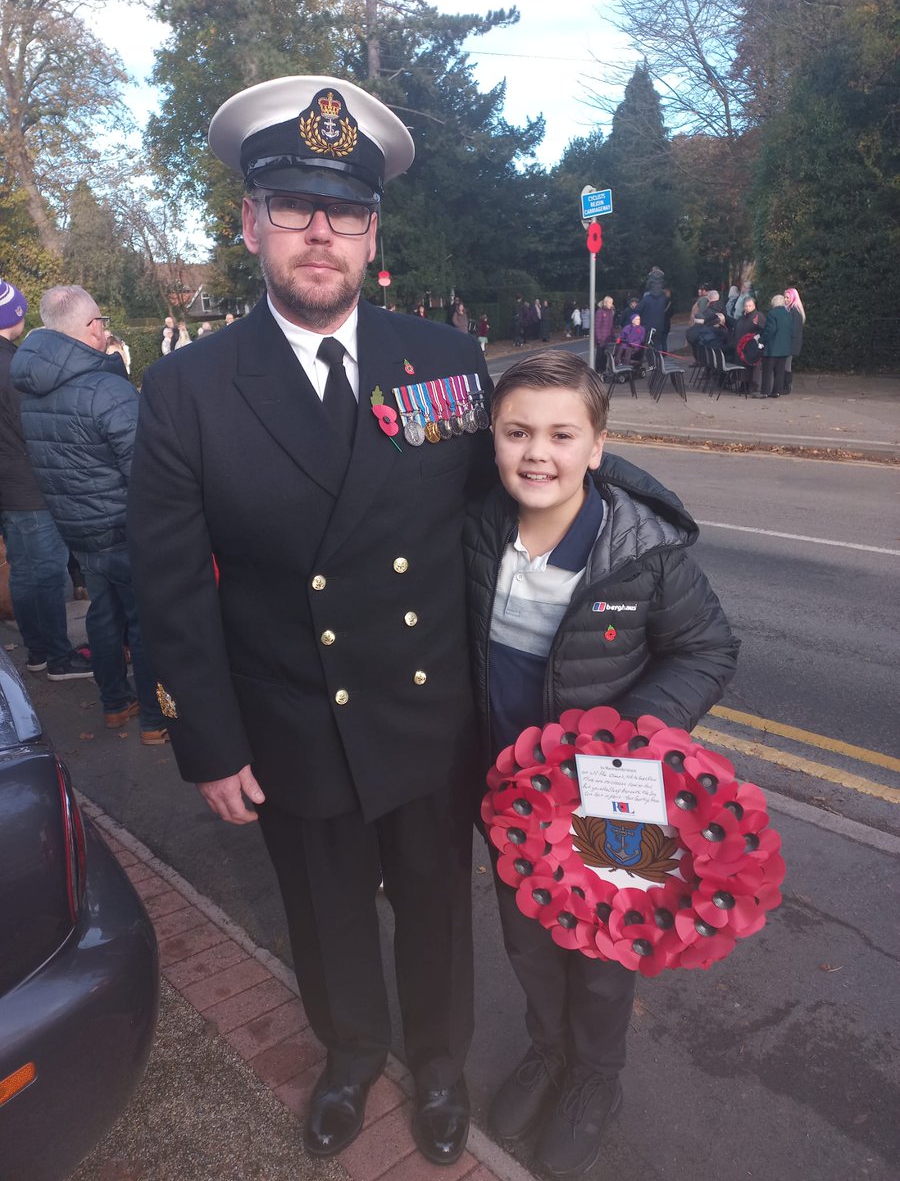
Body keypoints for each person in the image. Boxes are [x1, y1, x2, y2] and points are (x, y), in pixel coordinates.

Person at [126, 74, 495, 1167]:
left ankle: (437, 1064)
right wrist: (210, 738)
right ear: (250, 225)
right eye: (293, 206)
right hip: (296, 721)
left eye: (343, 210)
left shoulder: (446, 363)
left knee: (436, 911)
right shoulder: (188, 388)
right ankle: (351, 1053)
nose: (319, 232)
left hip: (431, 714)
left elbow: (493, 538)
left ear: (374, 231)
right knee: (328, 915)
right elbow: (171, 582)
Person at [463, 350, 738, 1177]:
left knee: (606, 947)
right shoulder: (476, 530)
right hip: (509, 798)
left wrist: (632, 732)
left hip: (617, 798)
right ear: (493, 440)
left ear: (597, 445)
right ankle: (549, 1051)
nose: (536, 453)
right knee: (528, 937)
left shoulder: (643, 554)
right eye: (516, 433)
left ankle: (595, 1077)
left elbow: (707, 649)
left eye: (559, 434)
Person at [10, 286, 169, 742]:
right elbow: (146, 468)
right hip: (123, 525)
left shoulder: (33, 388)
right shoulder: (105, 387)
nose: (105, 329)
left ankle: (115, 704)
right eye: (101, 320)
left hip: (78, 528)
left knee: (103, 614)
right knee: (143, 622)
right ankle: (156, 720)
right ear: (88, 328)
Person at [0, 278, 91, 681]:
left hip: (8, 484)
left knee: (23, 568)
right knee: (49, 570)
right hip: (29, 483)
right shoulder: (13, 367)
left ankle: (36, 649)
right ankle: (56, 656)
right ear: (14, 316)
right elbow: (33, 425)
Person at [759, 294, 792, 398]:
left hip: (772, 347)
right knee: (780, 371)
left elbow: (770, 329)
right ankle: (777, 391)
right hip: (784, 347)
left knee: (767, 370)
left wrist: (762, 340)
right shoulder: (788, 314)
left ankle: (765, 391)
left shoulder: (772, 314)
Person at [783, 286, 805, 394]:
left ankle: (787, 386)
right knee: (787, 364)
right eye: (785, 298)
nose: (786, 300)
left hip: (790, 344)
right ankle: (787, 385)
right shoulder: (795, 310)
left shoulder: (794, 311)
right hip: (791, 343)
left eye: (788, 298)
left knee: (787, 365)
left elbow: (793, 329)